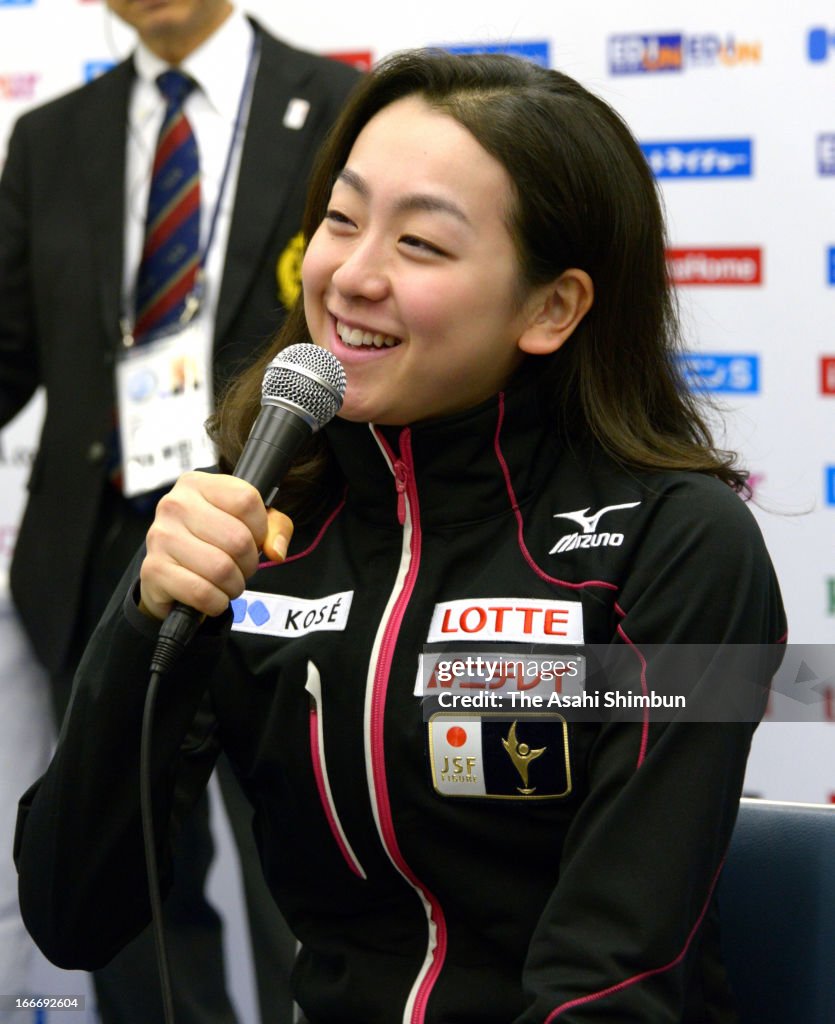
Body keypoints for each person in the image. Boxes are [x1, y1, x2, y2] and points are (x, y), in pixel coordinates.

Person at [15, 50, 786, 1023]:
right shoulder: (256, 521)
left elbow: (613, 976)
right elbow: (71, 913)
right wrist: (142, 625)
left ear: (553, 307)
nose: (350, 275)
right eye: (340, 219)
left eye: (420, 243)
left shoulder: (680, 545)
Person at [0, 1, 360, 1021]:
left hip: (288, 547)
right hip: (98, 560)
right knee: (125, 905)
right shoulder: (49, 134)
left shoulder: (337, 106)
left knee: (300, 878)